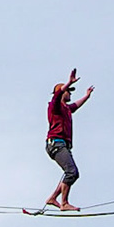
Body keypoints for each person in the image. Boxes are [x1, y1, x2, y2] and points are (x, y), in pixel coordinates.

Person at [43, 69, 93, 212]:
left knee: (69, 172)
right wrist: (68, 82)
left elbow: (75, 107)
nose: (70, 93)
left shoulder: (65, 108)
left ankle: (53, 198)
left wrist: (86, 97)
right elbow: (57, 96)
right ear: (62, 92)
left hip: (62, 145)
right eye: (68, 91)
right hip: (56, 144)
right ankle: (64, 203)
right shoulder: (55, 107)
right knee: (72, 172)